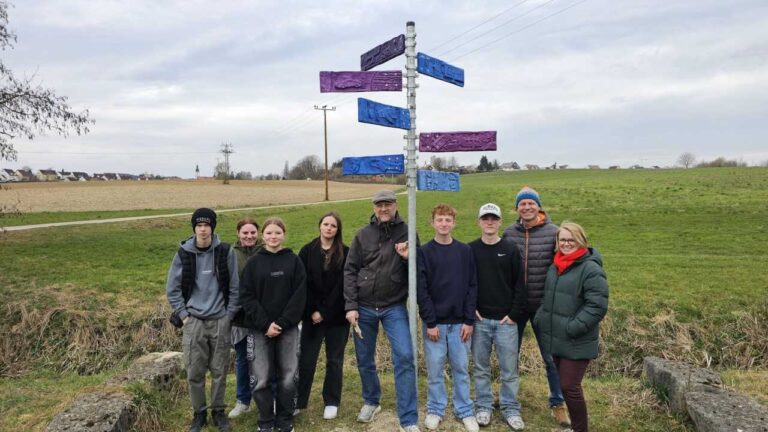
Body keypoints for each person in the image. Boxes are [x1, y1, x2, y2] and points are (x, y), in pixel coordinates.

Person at [343, 189, 421, 432]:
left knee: (405, 356)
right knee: (364, 358)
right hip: (364, 307)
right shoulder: (362, 235)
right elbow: (350, 270)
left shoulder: (407, 232)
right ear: (374, 207)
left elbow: (418, 268)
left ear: (396, 205)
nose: (384, 208)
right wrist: (351, 306)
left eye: (388, 204)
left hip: (394, 306)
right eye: (379, 205)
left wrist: (407, 258)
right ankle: (371, 401)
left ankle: (408, 418)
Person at [166, 207, 239, 432]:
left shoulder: (225, 251)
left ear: (212, 227)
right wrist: (184, 316)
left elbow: (235, 287)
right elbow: (172, 289)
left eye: (207, 225)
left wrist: (229, 316)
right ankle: (199, 413)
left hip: (220, 320)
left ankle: (218, 412)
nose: (203, 229)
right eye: (199, 225)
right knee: (194, 372)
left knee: (219, 370)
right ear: (194, 228)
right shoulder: (183, 254)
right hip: (194, 321)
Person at [503, 186, 570, 427]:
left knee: (551, 358)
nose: (527, 207)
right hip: (516, 306)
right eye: (522, 203)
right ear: (517, 208)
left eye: (531, 203)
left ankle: (558, 403)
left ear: (538, 206)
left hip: (544, 306)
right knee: (509, 356)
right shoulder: (509, 233)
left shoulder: (554, 232)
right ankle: (508, 399)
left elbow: (564, 266)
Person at [534, 222, 608, 432]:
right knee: (566, 386)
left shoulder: (590, 269)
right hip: (557, 337)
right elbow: (547, 298)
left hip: (576, 338)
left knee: (569, 386)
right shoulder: (556, 266)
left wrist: (572, 327)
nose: (566, 244)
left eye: (571, 240)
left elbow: (597, 305)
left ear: (581, 241)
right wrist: (541, 317)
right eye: (562, 240)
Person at [239, 217, 307, 432]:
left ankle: (285, 420)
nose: (273, 236)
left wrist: (283, 322)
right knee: (261, 378)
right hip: (260, 329)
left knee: (288, 377)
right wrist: (266, 324)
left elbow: (300, 295)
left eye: (277, 232)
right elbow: (247, 296)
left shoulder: (294, 261)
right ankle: (266, 421)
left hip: (288, 329)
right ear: (263, 235)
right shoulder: (254, 263)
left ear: (283, 235)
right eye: (269, 233)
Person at [416, 204, 479, 432]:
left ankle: (465, 410)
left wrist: (469, 320)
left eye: (448, 220)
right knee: (435, 371)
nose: (444, 223)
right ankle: (435, 409)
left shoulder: (464, 251)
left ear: (454, 223)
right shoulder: (424, 252)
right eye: (440, 219)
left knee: (461, 369)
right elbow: (421, 290)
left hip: (460, 323)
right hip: (435, 325)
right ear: (432, 223)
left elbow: (472, 286)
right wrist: (430, 322)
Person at [469, 203, 526, 430]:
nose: (490, 222)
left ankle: (510, 408)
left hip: (506, 322)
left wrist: (513, 315)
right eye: (486, 218)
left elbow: (519, 285)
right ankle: (483, 406)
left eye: (494, 218)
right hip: (480, 321)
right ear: (479, 222)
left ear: (500, 222)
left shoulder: (511, 249)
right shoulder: (471, 249)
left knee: (509, 370)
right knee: (480, 368)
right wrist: (471, 309)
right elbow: (466, 282)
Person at [296, 212, 350, 420]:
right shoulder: (307, 251)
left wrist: (325, 312)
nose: (329, 228)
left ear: (338, 230)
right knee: (306, 360)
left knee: (334, 361)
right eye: (326, 224)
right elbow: (302, 283)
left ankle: (332, 401)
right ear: (320, 226)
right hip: (312, 317)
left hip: (337, 317)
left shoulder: (345, 252)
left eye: (333, 226)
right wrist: (312, 311)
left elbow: (342, 286)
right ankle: (299, 401)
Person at [228, 218, 263, 419]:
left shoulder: (265, 250)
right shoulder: (231, 254)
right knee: (242, 360)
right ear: (238, 233)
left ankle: (267, 399)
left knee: (264, 360)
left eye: (252, 232)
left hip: (262, 317)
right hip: (240, 318)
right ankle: (243, 400)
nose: (249, 236)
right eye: (245, 233)